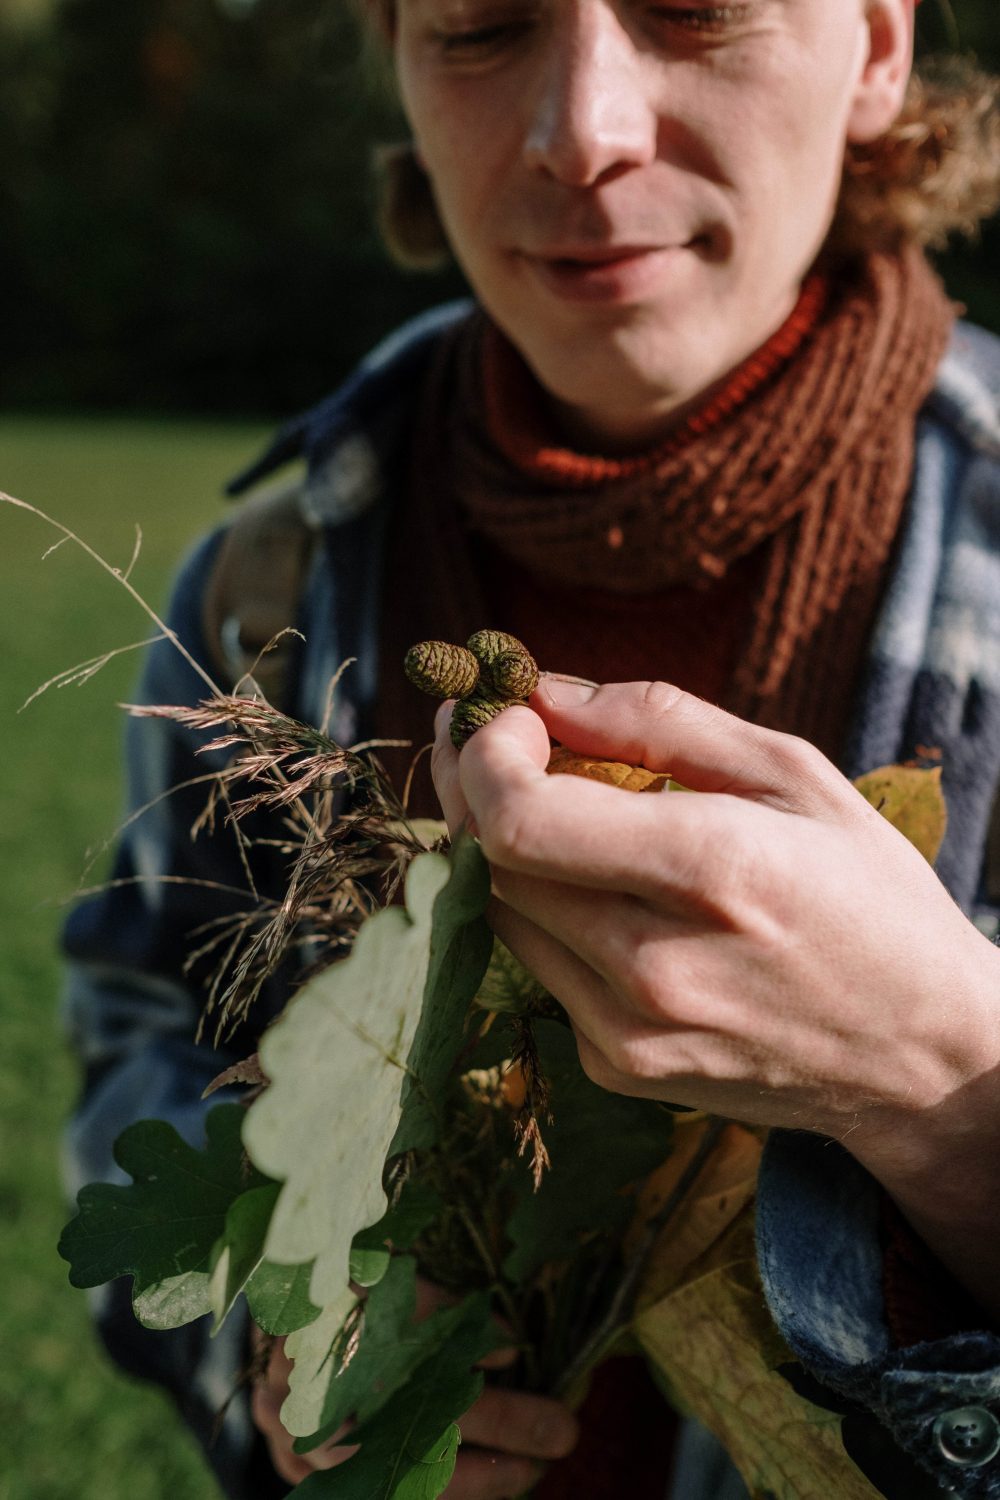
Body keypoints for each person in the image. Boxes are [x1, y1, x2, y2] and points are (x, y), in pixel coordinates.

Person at [61, 0, 1000, 1495]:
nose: (584, 131)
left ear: (879, 49)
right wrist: (273, 1324)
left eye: (695, 13)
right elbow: (141, 1026)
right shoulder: (270, 590)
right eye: (483, 26)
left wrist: (951, 1084)